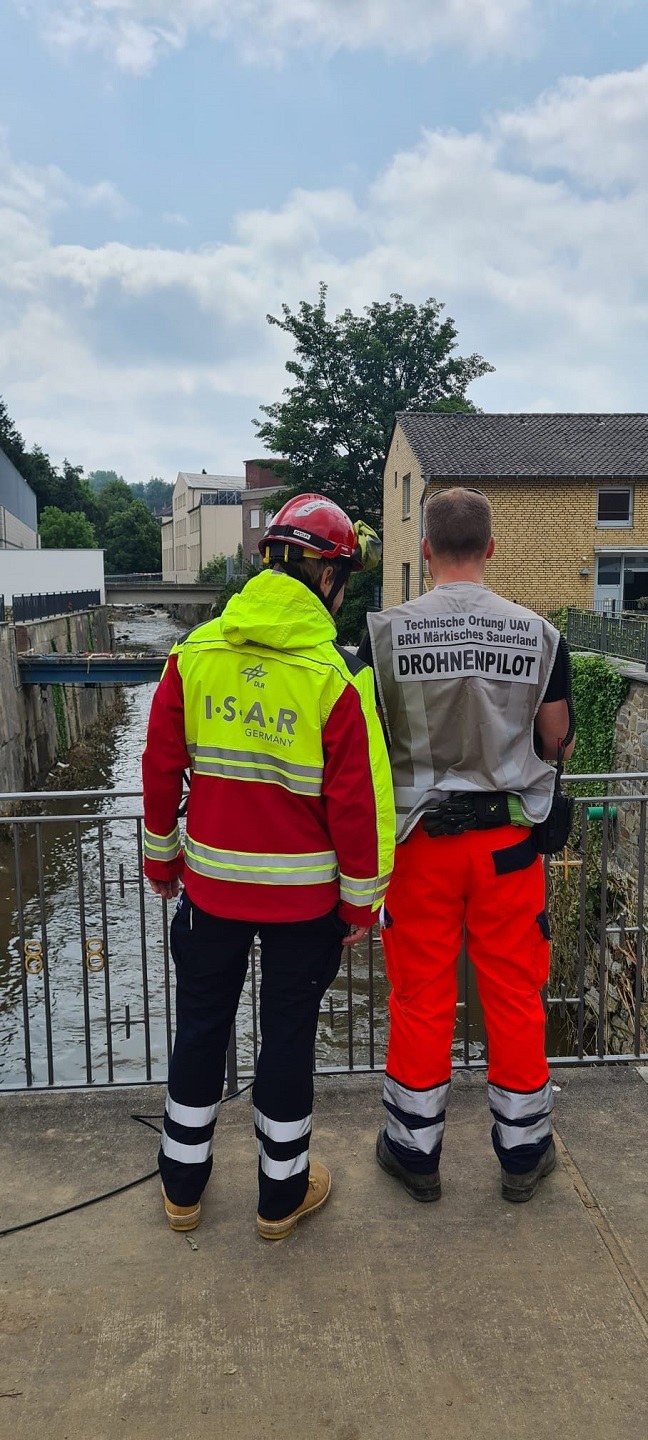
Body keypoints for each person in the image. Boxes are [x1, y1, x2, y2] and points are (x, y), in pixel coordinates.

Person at [142, 494, 395, 1240]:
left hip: (211, 893)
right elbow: (359, 806)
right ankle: (280, 1198)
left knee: (200, 1028)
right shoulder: (333, 677)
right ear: (327, 576)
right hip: (303, 906)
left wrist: (162, 862)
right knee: (287, 1040)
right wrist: (360, 905)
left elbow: (160, 769)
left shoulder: (193, 656)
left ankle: (182, 1190)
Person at [363, 487, 575, 1204]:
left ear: (425, 550)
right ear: (490, 549)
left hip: (418, 844)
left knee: (420, 995)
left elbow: (365, 743)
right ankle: (523, 1154)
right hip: (507, 846)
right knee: (513, 993)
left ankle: (414, 1153)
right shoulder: (539, 635)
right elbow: (557, 739)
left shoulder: (385, 634)